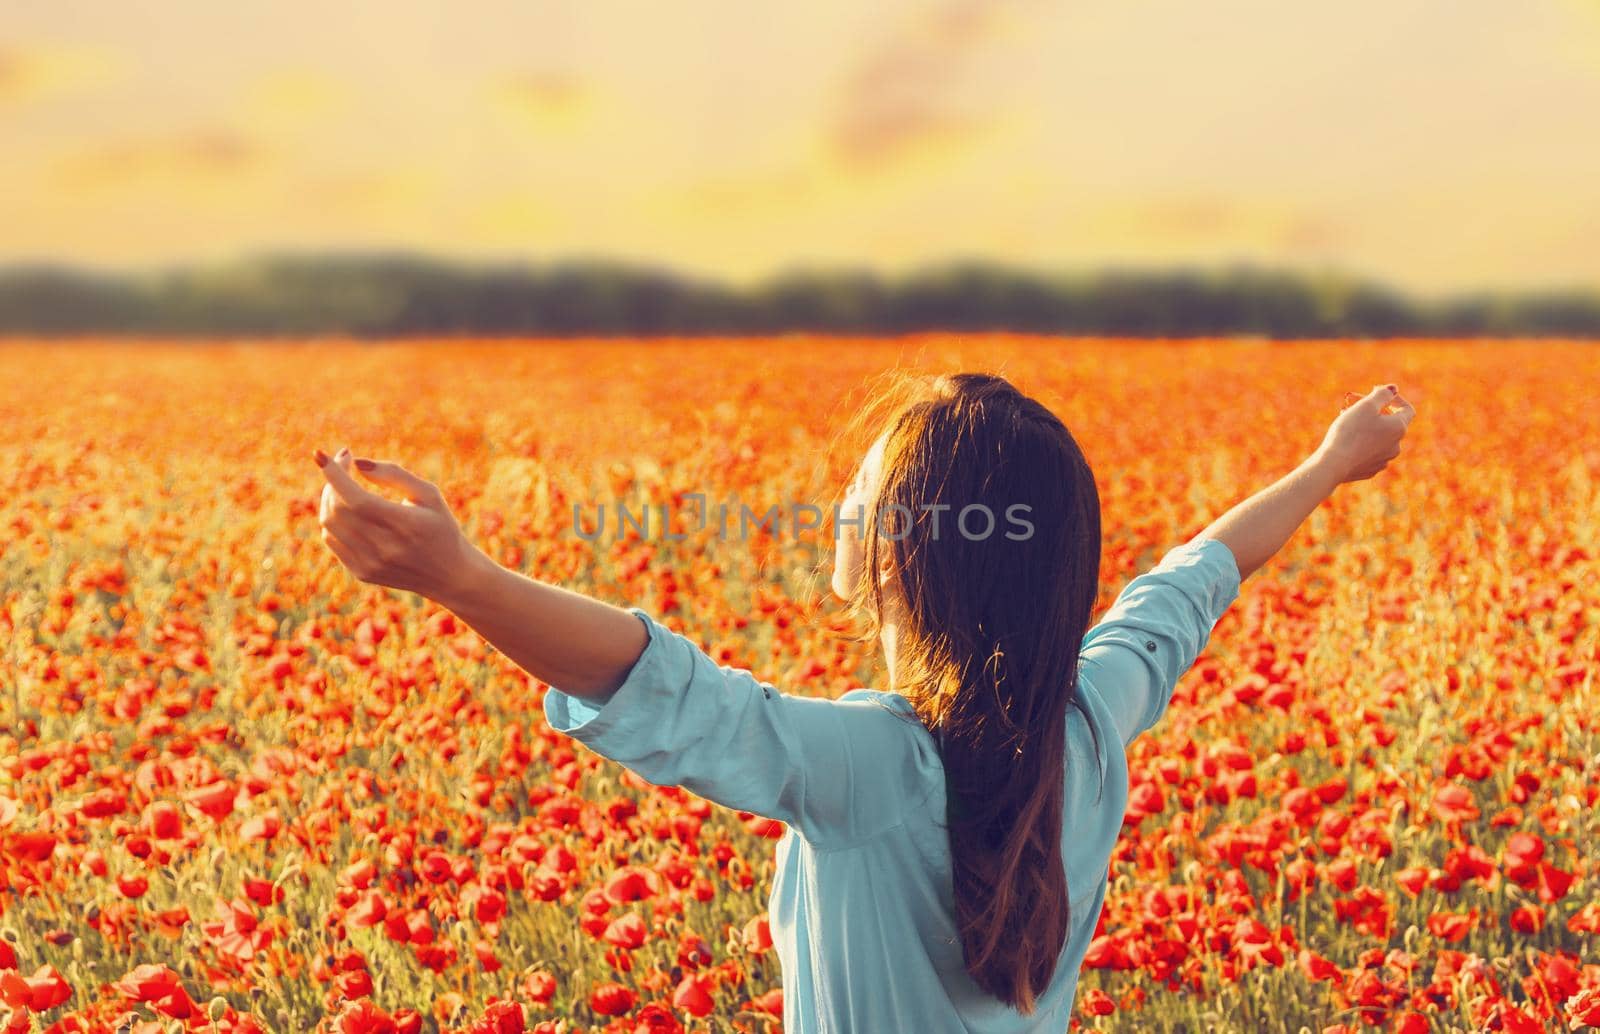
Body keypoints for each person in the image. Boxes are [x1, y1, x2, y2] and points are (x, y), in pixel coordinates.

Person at [312, 373, 1414, 1032]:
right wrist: (1329, 461)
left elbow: (666, 686)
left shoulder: (876, 770)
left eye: (860, 489)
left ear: (903, 551)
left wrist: (463, 579)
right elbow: (1190, 582)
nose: (836, 501)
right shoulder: (1089, 718)